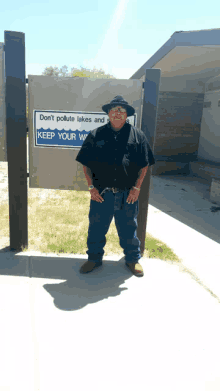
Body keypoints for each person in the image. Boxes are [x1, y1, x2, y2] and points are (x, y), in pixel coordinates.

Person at [75, 95, 155, 277]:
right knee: (96, 228)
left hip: (127, 195)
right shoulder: (96, 135)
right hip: (102, 194)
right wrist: (91, 187)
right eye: (113, 110)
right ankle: (93, 259)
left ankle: (132, 260)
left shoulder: (137, 135)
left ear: (127, 114)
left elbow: (144, 164)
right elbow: (85, 163)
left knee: (128, 229)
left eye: (121, 110)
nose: (117, 113)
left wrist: (137, 188)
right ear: (108, 113)